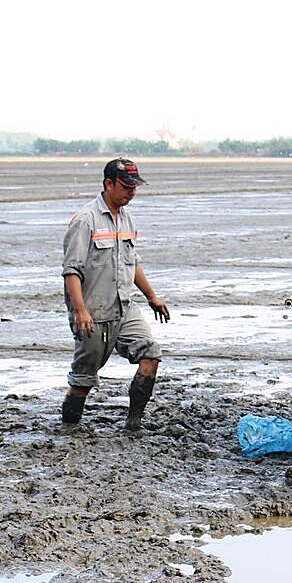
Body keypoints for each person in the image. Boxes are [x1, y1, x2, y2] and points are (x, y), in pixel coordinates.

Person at [61, 158, 170, 431]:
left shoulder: (127, 217)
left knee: (151, 355)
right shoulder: (85, 221)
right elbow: (71, 271)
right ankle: (69, 427)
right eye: (126, 186)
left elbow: (133, 262)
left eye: (135, 186)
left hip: (124, 307)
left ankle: (133, 423)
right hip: (94, 313)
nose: (132, 192)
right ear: (108, 184)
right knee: (83, 381)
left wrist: (151, 296)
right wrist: (80, 311)